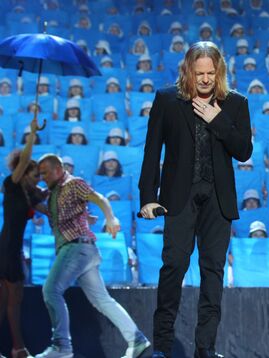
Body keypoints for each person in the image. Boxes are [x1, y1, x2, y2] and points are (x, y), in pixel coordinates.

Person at [138, 41, 252, 358]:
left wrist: (218, 120)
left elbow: (244, 151)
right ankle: (161, 346)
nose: (204, 79)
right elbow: (151, 152)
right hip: (179, 196)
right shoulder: (167, 100)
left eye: (210, 73)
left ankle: (206, 348)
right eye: (199, 73)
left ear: (219, 72)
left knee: (212, 272)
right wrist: (148, 197)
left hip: (218, 199)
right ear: (189, 71)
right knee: (173, 266)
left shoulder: (235, 104)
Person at [35, 154, 150, 358]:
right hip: (83, 251)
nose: (42, 177)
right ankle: (137, 340)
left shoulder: (72, 183)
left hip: (76, 247)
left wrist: (110, 217)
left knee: (51, 290)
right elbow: (53, 213)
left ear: (58, 169)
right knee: (102, 300)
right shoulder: (54, 193)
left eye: (45, 172)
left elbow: (98, 198)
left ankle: (61, 346)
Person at [0, 119, 43, 358]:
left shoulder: (30, 195)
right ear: (23, 171)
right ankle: (19, 348)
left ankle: (18, 348)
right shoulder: (12, 183)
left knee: (7, 301)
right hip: (6, 248)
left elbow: (48, 210)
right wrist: (32, 134)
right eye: (35, 175)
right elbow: (25, 158)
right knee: (13, 301)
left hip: (12, 248)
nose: (38, 178)